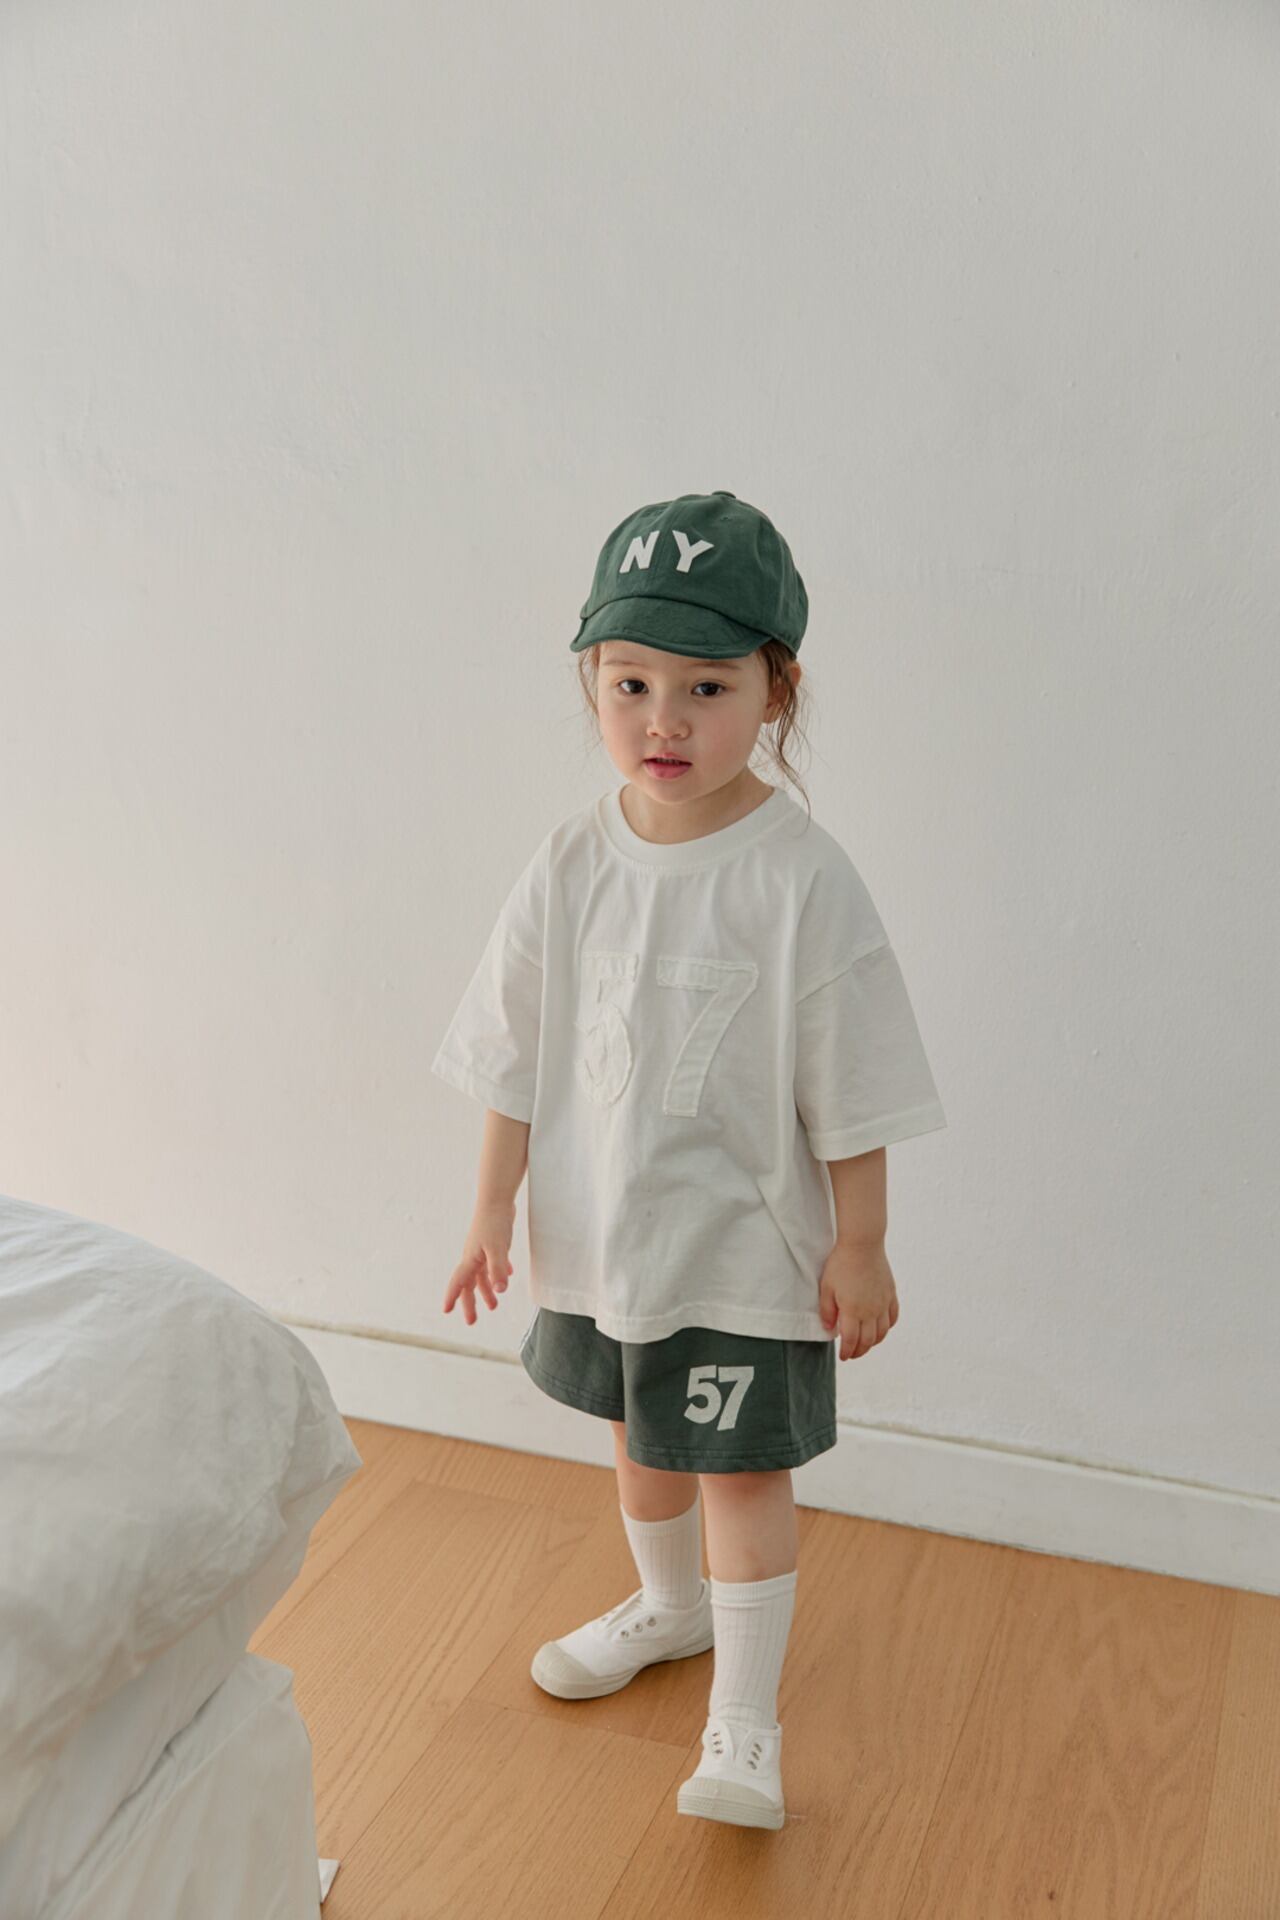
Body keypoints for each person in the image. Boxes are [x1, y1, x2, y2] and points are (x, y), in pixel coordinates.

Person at [431, 488, 947, 1831]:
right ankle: (669, 1607)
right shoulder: (568, 864)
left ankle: (745, 1722)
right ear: (592, 682)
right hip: (605, 1241)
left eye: (706, 687)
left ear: (776, 692)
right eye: (631, 684)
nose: (664, 720)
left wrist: (863, 1242)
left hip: (745, 1253)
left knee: (741, 1472)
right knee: (640, 1441)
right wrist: (490, 1209)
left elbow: (856, 1084)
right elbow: (511, 1050)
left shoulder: (801, 879)